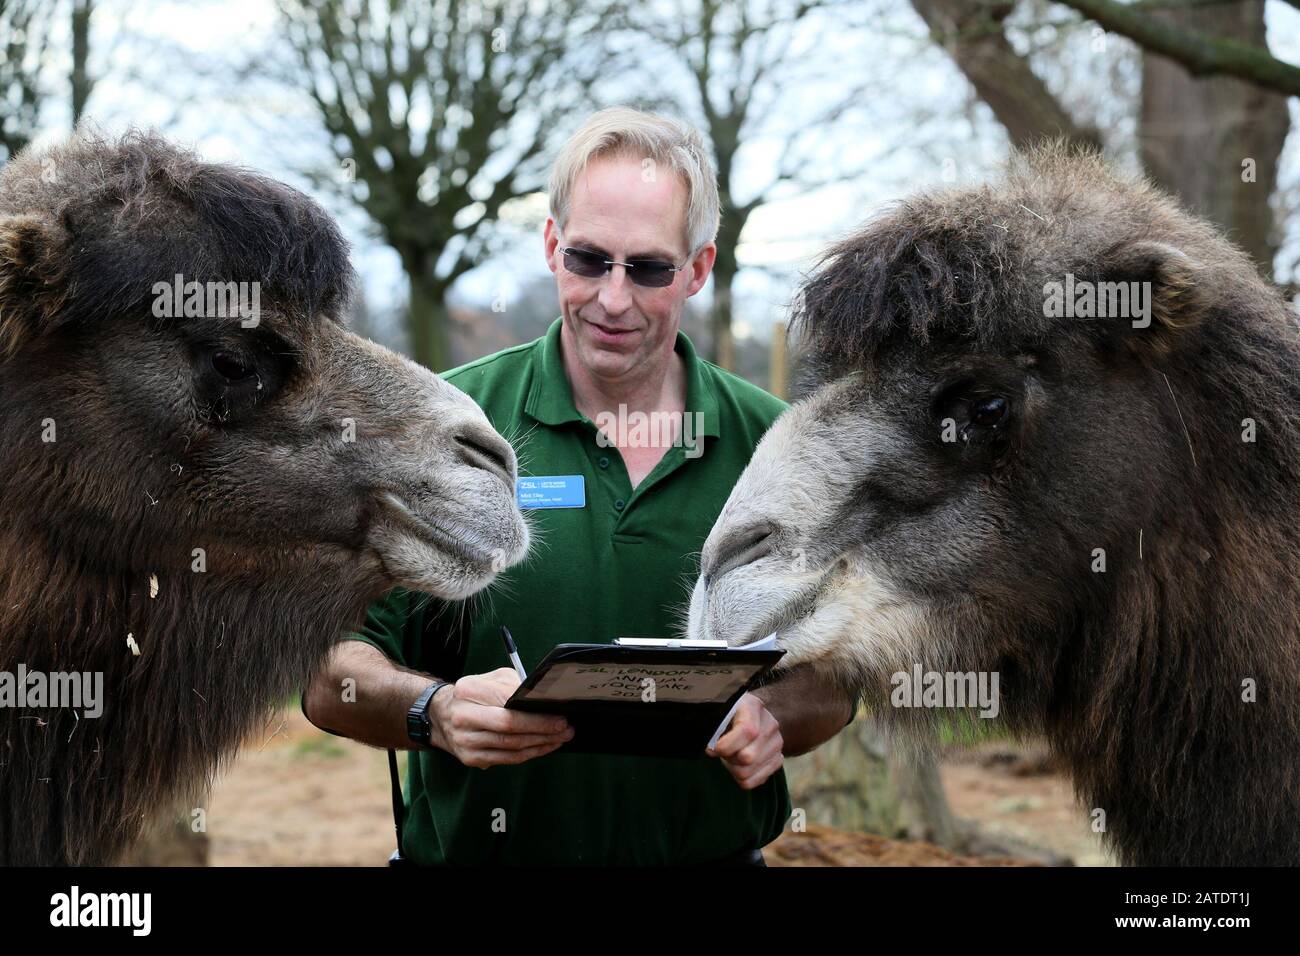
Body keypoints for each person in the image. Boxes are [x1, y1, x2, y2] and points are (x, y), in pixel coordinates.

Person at [304, 106, 856, 865]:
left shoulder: (778, 445)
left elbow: (836, 676)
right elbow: (328, 671)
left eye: (650, 268)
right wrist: (435, 710)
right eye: (590, 260)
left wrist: (773, 716)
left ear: (698, 268)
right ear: (552, 246)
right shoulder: (450, 432)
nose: (613, 300)